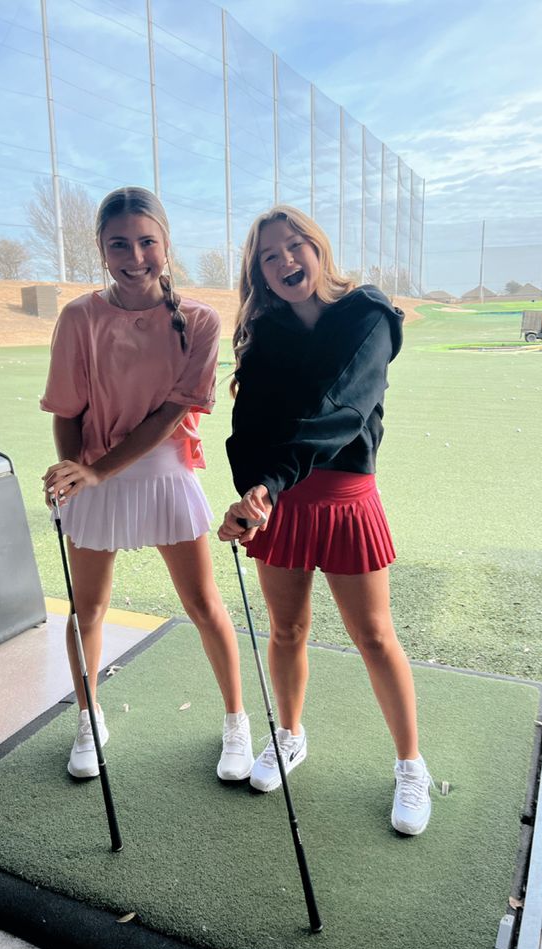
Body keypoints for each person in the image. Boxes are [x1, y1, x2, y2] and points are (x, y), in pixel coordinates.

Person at [217, 205, 433, 835]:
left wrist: (270, 481)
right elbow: (247, 431)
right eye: (269, 255)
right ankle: (288, 735)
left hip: (345, 497)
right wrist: (251, 497)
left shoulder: (367, 315)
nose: (285, 261)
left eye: (295, 246)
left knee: (373, 636)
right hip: (282, 502)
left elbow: (341, 410)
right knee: (286, 631)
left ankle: (410, 765)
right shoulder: (264, 335)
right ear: (257, 271)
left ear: (319, 248)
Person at [41, 186, 253, 784]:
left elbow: (171, 414)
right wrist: (70, 474)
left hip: (162, 469)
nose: (135, 256)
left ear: (165, 244)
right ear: (101, 249)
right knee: (88, 608)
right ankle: (88, 719)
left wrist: (99, 469)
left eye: (146, 242)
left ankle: (237, 722)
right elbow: (67, 409)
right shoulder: (79, 317)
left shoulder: (202, 321)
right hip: (91, 471)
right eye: (119, 244)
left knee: (204, 605)